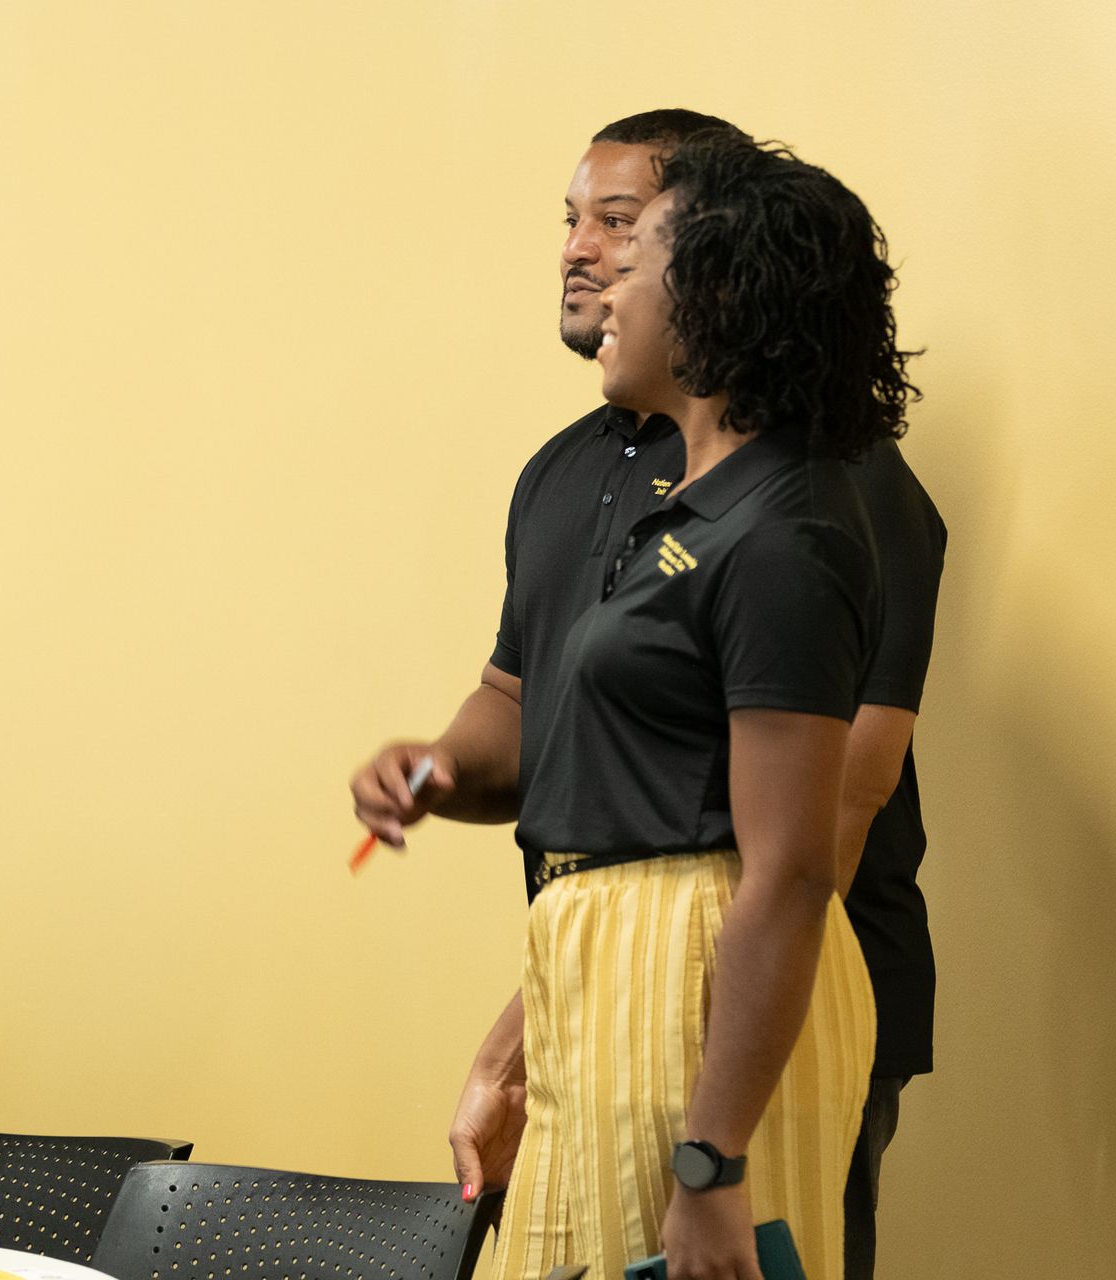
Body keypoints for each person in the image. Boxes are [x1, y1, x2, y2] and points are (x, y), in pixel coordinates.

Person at [349, 111, 941, 1279]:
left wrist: (710, 1159)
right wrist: (440, 772)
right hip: (593, 967)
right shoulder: (591, 475)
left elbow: (809, 837)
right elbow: (539, 712)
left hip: (727, 981)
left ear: (715, 281)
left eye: (625, 231)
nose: (591, 259)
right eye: (577, 224)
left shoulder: (804, 505)